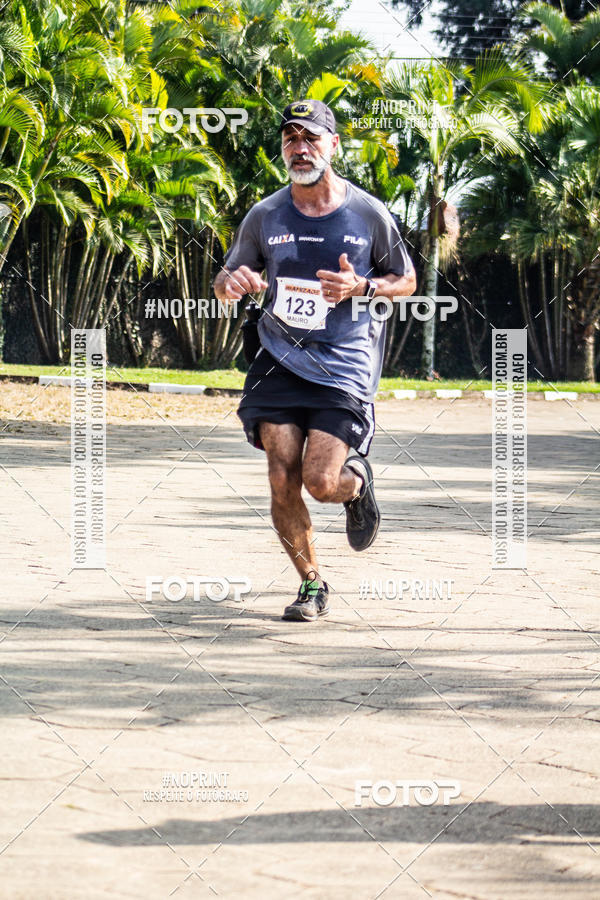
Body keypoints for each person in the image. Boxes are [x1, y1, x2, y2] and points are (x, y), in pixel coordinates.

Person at [214, 99, 416, 622]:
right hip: (278, 357)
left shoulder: (367, 213)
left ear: (333, 145)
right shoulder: (265, 215)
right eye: (290, 139)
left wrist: (363, 285)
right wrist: (232, 283)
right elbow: (228, 276)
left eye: (311, 138)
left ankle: (359, 487)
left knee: (321, 481)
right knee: (282, 477)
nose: (300, 149)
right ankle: (311, 585)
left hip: (342, 362)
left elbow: (407, 280)